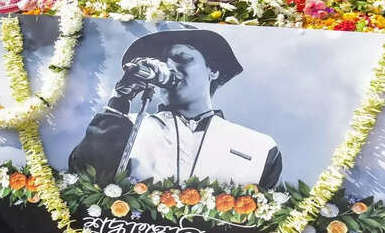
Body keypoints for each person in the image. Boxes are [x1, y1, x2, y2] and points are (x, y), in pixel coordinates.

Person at [69, 28, 282, 188]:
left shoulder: (260, 146)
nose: (168, 67)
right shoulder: (123, 126)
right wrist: (119, 100)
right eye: (161, 61)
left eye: (181, 58)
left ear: (213, 70)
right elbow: (84, 179)